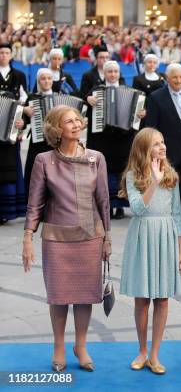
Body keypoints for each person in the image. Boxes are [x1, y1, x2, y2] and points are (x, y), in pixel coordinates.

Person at [23, 105, 111, 373]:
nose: (75, 124)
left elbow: (104, 202)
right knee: (59, 297)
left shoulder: (97, 158)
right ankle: (59, 346)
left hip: (90, 238)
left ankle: (81, 346)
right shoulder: (43, 160)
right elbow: (35, 204)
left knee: (86, 296)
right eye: (68, 121)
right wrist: (28, 237)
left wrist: (107, 239)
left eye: (77, 120)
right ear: (55, 129)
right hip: (57, 240)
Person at [119, 128, 181, 374]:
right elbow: (137, 208)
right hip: (143, 235)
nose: (163, 147)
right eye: (156, 144)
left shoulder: (171, 175)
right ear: (144, 150)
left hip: (166, 235)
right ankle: (142, 350)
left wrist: (180, 250)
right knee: (142, 298)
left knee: (163, 298)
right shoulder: (132, 175)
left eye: (163, 142)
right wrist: (153, 183)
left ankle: (155, 354)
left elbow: (177, 214)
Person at [86, 60, 142, 220]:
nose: (113, 74)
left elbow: (137, 113)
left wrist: (140, 114)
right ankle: (107, 205)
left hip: (123, 139)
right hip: (103, 138)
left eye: (116, 72)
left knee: (122, 172)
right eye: (110, 71)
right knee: (104, 172)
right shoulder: (96, 90)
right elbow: (83, 105)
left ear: (119, 73)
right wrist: (88, 100)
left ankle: (120, 206)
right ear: (104, 73)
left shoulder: (129, 90)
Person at [145, 63, 181, 182]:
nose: (179, 80)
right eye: (175, 77)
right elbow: (151, 127)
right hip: (167, 153)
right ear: (167, 78)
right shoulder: (155, 97)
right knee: (169, 186)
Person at [0, 42, 27, 224]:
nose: (3, 55)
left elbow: (24, 102)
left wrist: (21, 123)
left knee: (10, 170)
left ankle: (7, 212)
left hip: (10, 128)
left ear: (11, 54)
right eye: (0, 52)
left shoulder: (19, 75)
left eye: (6, 52)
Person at [23, 69, 57, 197]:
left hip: (56, 143)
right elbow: (23, 121)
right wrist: (24, 113)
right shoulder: (32, 98)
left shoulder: (60, 95)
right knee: (35, 174)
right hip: (37, 142)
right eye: (43, 78)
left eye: (49, 78)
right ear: (38, 81)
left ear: (52, 81)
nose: (46, 81)